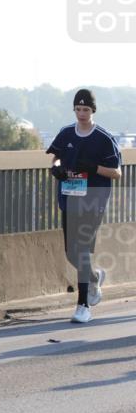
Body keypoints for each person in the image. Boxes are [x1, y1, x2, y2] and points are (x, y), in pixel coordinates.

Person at [46, 88, 123, 323]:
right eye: (78, 109)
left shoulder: (103, 138)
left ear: (93, 110)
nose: (81, 114)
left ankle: (83, 306)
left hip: (93, 200)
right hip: (69, 197)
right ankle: (94, 277)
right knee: (71, 252)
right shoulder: (66, 133)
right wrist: (56, 167)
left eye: (86, 109)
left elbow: (117, 173)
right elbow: (55, 156)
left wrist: (93, 168)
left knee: (83, 250)